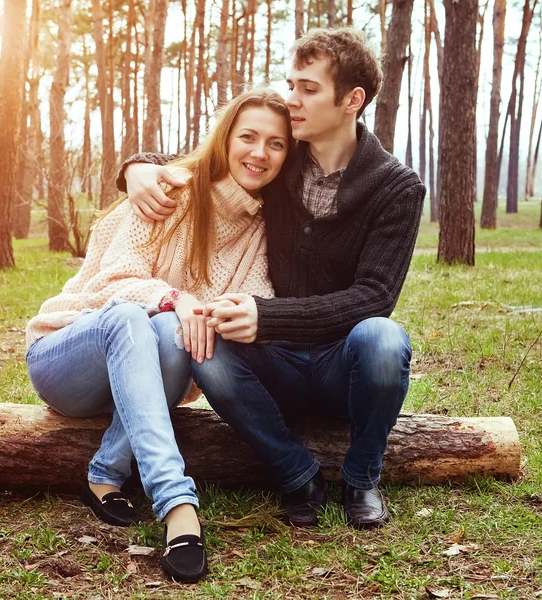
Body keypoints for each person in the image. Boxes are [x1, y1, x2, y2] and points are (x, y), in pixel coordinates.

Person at [117, 27, 426, 530]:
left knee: (384, 338)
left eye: (308, 88)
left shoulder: (397, 187)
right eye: (290, 84)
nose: (292, 99)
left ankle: (362, 476)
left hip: (341, 363)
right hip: (273, 361)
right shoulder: (282, 159)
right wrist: (137, 168)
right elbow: (204, 159)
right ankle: (297, 474)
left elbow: (376, 296)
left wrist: (267, 314)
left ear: (352, 100)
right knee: (205, 344)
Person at [25, 88, 291, 583]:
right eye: (248, 137)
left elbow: (248, 303)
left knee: (169, 328)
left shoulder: (262, 230)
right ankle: (177, 506)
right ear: (224, 139)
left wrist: (213, 310)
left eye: (276, 144)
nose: (259, 153)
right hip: (68, 356)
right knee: (135, 314)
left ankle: (104, 472)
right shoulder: (166, 192)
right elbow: (114, 280)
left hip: (146, 371)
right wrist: (176, 295)